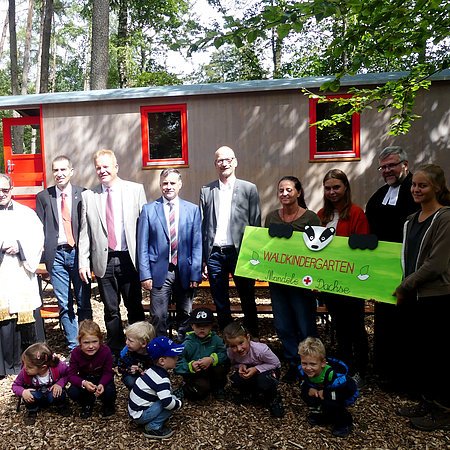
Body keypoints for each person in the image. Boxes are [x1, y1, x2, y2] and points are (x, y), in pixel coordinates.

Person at [393, 164, 450, 432]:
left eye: (422, 185)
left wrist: (405, 286)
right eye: (414, 185)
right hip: (413, 297)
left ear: (437, 188)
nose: (416, 189)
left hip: (436, 296)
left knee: (438, 354)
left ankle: (443, 410)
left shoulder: (445, 218)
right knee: (422, 353)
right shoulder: (410, 220)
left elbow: (436, 263)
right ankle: (427, 401)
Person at [78, 149, 146, 360]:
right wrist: (83, 262)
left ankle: (139, 348)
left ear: (116, 167)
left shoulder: (135, 190)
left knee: (134, 306)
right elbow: (84, 233)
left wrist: (146, 262)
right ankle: (116, 350)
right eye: (98, 167)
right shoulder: (89, 196)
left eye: (106, 166)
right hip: (103, 260)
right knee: (111, 309)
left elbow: (145, 228)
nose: (102, 170)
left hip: (129, 258)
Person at [365, 146, 420, 390]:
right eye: (383, 167)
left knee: (408, 323)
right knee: (385, 320)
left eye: (392, 165)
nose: (387, 170)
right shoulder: (379, 196)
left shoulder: (415, 193)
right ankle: (385, 371)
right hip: (384, 271)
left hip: (410, 268)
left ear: (405, 165)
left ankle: (407, 377)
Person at [200, 146, 261, 337]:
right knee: (220, 299)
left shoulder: (249, 188)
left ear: (235, 162)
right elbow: (202, 226)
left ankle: (252, 335)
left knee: (247, 297)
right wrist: (204, 258)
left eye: (228, 159)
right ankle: (228, 337)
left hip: (240, 252)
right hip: (215, 254)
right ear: (215, 164)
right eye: (219, 160)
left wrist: (254, 256)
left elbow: (255, 223)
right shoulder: (206, 190)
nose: (224, 163)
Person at [264, 176, 321, 383]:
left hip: (302, 283)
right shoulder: (271, 217)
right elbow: (266, 246)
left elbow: (318, 253)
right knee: (283, 325)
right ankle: (293, 362)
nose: (284, 194)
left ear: (298, 192)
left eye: (289, 190)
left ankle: (311, 365)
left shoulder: (311, 218)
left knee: (305, 325)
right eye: (281, 190)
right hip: (278, 281)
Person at [317, 169, 369, 388]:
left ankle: (362, 369)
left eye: (336, 187)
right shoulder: (322, 215)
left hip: (351, 282)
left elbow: (363, 246)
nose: (332, 192)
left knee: (355, 325)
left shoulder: (356, 213)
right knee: (339, 325)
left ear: (345, 187)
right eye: (328, 188)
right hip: (330, 283)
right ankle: (345, 365)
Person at [35, 155, 92, 352]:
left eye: (63, 170)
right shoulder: (44, 197)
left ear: (71, 171)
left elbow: (88, 227)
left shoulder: (83, 194)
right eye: (55, 170)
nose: (59, 174)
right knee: (64, 302)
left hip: (78, 254)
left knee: (83, 301)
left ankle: (88, 344)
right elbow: (39, 228)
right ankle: (74, 347)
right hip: (56, 255)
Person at [138, 168, 202, 339]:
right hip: (159, 272)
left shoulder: (193, 210)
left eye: (172, 183)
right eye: (165, 183)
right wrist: (145, 274)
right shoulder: (149, 210)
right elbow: (142, 245)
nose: (168, 186)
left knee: (185, 313)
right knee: (158, 315)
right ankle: (161, 351)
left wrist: (195, 274)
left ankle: (183, 348)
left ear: (180, 184)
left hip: (185, 271)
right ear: (160, 185)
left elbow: (197, 245)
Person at [0, 173, 45, 378]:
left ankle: (26, 363)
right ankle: (4, 366)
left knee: (23, 315)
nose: (1, 194)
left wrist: (19, 246)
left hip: (20, 271)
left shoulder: (27, 214)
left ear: (12, 189)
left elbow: (38, 238)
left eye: (5, 190)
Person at [297, 337, 358, 438]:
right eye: (304, 363)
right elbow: (302, 383)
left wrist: (326, 393)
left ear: (323, 363)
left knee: (331, 402)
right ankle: (325, 415)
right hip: (322, 392)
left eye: (312, 364)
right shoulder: (301, 371)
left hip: (344, 394)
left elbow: (350, 389)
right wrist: (308, 390)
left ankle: (344, 422)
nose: (308, 368)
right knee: (306, 394)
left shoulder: (333, 375)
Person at [223, 321, 284, 418]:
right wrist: (241, 366)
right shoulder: (230, 352)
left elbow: (276, 363)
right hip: (249, 371)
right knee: (236, 379)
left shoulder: (261, 350)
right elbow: (234, 364)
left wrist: (256, 369)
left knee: (265, 380)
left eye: (241, 343)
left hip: (268, 370)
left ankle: (274, 399)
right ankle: (250, 394)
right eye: (233, 346)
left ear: (247, 337)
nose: (239, 349)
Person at [128, 336, 183, 440]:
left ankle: (149, 420)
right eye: (174, 356)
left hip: (134, 411)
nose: (177, 358)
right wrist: (179, 403)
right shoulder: (161, 379)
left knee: (169, 397)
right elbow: (167, 403)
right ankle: (153, 427)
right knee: (170, 403)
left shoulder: (151, 370)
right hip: (140, 415)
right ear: (162, 361)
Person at [175, 307, 229, 401]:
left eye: (206, 325)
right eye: (198, 325)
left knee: (221, 368)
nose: (202, 328)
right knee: (201, 392)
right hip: (196, 374)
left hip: (212, 370)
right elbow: (177, 363)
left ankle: (218, 388)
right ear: (192, 326)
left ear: (211, 326)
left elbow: (225, 354)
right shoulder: (187, 343)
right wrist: (190, 366)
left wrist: (212, 359)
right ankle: (185, 389)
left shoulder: (216, 340)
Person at [67, 319, 116, 419]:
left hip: (101, 377)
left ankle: (108, 405)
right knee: (73, 391)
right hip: (85, 378)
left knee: (109, 391)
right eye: (86, 342)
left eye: (94, 342)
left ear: (100, 341)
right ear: (80, 342)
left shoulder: (105, 351)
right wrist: (83, 383)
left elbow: (108, 372)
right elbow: (71, 375)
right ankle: (86, 403)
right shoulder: (76, 353)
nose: (91, 346)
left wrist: (102, 384)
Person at [12, 342, 70, 425]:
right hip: (37, 394)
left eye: (29, 367)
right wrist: (23, 392)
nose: (25, 368)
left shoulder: (57, 367)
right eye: (24, 364)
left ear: (43, 367)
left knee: (59, 393)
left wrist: (60, 384)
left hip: (51, 392)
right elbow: (15, 385)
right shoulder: (25, 372)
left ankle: (61, 406)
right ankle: (32, 410)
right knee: (28, 394)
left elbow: (69, 374)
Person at [118, 321, 156, 390]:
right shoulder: (127, 352)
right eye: (126, 339)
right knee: (131, 381)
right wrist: (130, 369)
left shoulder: (153, 353)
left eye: (130, 341)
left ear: (143, 343)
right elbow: (120, 367)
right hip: (133, 376)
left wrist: (148, 371)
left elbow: (158, 366)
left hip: (148, 376)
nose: (126, 342)